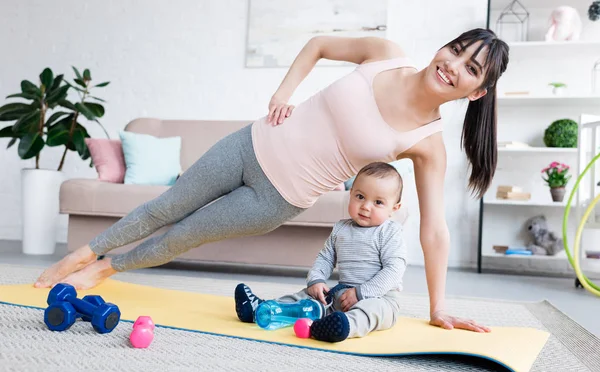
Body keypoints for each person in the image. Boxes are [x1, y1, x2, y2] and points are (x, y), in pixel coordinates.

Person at [34, 28, 509, 334]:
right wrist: (284, 92)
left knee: (182, 236)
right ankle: (83, 253)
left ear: (478, 91)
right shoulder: (385, 55)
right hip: (249, 143)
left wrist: (438, 305)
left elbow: (434, 229)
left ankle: (106, 268)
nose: (453, 64)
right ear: (445, 45)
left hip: (277, 198)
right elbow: (319, 43)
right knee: (166, 206)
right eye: (457, 49)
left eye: (471, 68)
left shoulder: (428, 143)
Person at [235, 162, 407, 342]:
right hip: (343, 295)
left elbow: (394, 270)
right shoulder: (341, 228)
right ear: (350, 194)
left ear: (394, 208)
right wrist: (316, 280)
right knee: (307, 298)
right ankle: (263, 309)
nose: (365, 206)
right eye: (360, 196)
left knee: (371, 311)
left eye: (378, 202)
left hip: (381, 297)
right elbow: (325, 258)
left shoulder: (389, 232)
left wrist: (361, 293)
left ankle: (342, 327)